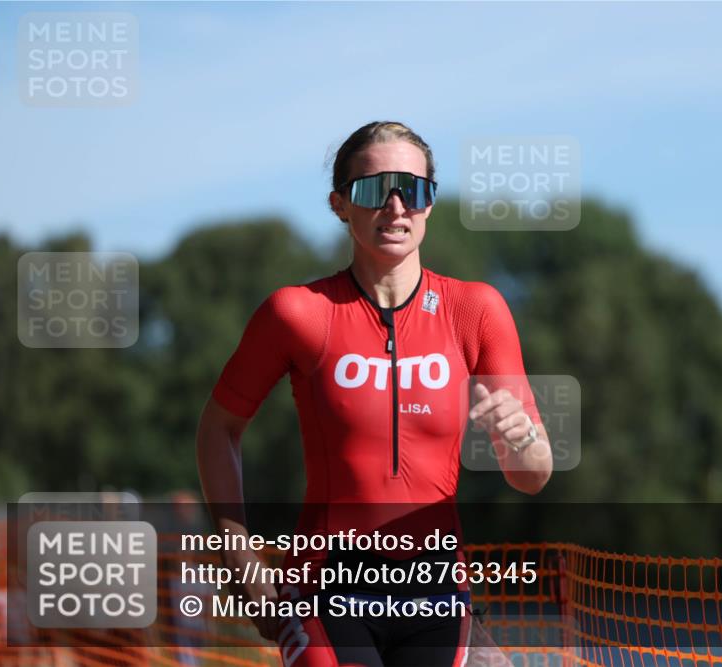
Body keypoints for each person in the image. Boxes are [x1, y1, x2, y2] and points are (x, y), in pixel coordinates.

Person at [196, 121, 553, 667]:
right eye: (373, 189)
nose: (395, 207)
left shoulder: (476, 310)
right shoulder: (297, 313)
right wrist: (239, 559)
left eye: (412, 189)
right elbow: (218, 429)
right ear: (339, 204)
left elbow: (533, 476)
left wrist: (518, 436)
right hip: (325, 588)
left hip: (436, 590)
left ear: (430, 203)